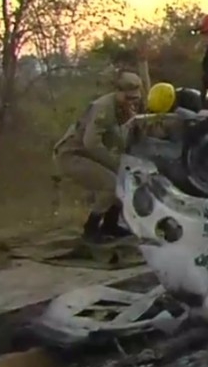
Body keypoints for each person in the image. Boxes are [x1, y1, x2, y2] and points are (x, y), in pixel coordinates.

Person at [53, 72, 142, 243]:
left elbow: (120, 137)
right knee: (110, 185)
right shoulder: (103, 108)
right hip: (71, 155)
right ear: (118, 92)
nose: (132, 102)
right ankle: (91, 229)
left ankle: (110, 225)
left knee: (122, 184)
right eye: (128, 98)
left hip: (88, 154)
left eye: (135, 98)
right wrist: (117, 164)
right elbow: (91, 143)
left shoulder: (122, 109)